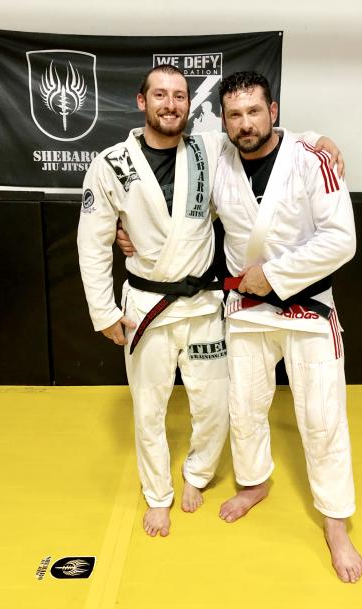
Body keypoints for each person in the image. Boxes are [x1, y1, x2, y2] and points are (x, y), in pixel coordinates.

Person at [79, 65, 341, 540]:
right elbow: (92, 242)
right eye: (160, 95)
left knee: (217, 405)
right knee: (149, 408)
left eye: (179, 96)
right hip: (146, 306)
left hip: (202, 304)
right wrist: (104, 311)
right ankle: (157, 494)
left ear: (191, 105)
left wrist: (319, 138)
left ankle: (197, 474)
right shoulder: (110, 164)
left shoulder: (208, 150)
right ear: (142, 101)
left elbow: (269, 137)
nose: (170, 104)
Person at [213, 71, 362, 584]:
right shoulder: (217, 159)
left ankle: (336, 521)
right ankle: (254, 482)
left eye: (254, 111)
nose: (245, 123)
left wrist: (274, 275)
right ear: (224, 121)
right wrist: (128, 233)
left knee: (322, 418)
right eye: (235, 114)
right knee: (244, 408)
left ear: (273, 112)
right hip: (246, 310)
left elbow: (341, 240)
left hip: (307, 309)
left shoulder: (310, 158)